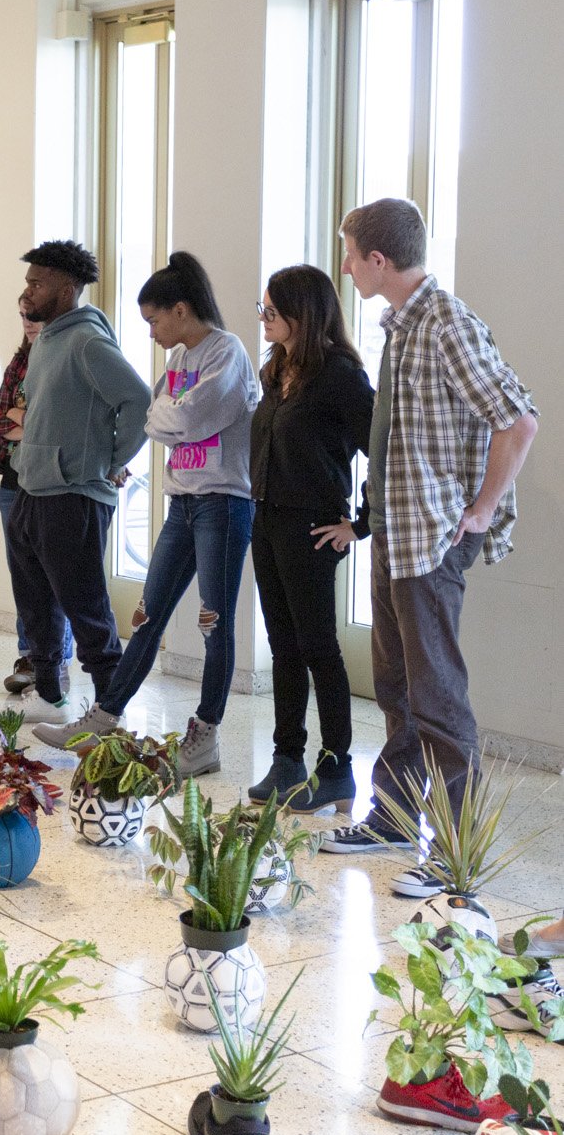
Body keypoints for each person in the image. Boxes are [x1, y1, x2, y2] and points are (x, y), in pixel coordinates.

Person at [320, 198, 538, 868]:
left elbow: (518, 419)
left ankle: (455, 853)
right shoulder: (403, 325)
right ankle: (391, 819)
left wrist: (477, 512)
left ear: (377, 261)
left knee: (437, 698)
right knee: (397, 688)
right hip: (395, 536)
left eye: (351, 253)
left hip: (429, 540)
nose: (347, 265)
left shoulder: (445, 323)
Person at [30, 253, 258, 779]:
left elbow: (188, 417)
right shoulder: (178, 361)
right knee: (147, 616)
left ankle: (205, 737)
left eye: (154, 320)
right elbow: (162, 421)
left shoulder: (227, 353)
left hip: (223, 504)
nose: (152, 333)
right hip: (182, 503)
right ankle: (103, 720)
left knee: (212, 623)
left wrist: (175, 418)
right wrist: (176, 419)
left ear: (180, 310)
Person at [245, 265, 374, 814]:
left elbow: (381, 452)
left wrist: (360, 525)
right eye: (264, 310)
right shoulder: (277, 370)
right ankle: (286, 759)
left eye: (273, 312)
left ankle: (337, 766)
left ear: (305, 314)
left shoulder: (341, 375)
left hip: (313, 528)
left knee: (319, 647)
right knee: (283, 647)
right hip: (266, 520)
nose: (265, 320)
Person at [1, 240, 149, 717]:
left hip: (74, 495)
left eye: (37, 282)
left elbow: (138, 400)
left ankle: (112, 705)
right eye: (27, 281)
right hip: (33, 488)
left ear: (66, 288)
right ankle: (47, 696)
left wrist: (111, 459)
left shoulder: (87, 340)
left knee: (86, 610)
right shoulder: (45, 338)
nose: (27, 291)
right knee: (36, 605)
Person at [0, 311, 75, 699]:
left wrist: (28, 422)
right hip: (12, 479)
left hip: (52, 482)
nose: (26, 321)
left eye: (34, 314)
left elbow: (59, 424)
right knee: (23, 577)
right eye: (22, 314)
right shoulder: (20, 360)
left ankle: (58, 660)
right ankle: (30, 657)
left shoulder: (66, 359)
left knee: (53, 576)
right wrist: (28, 421)